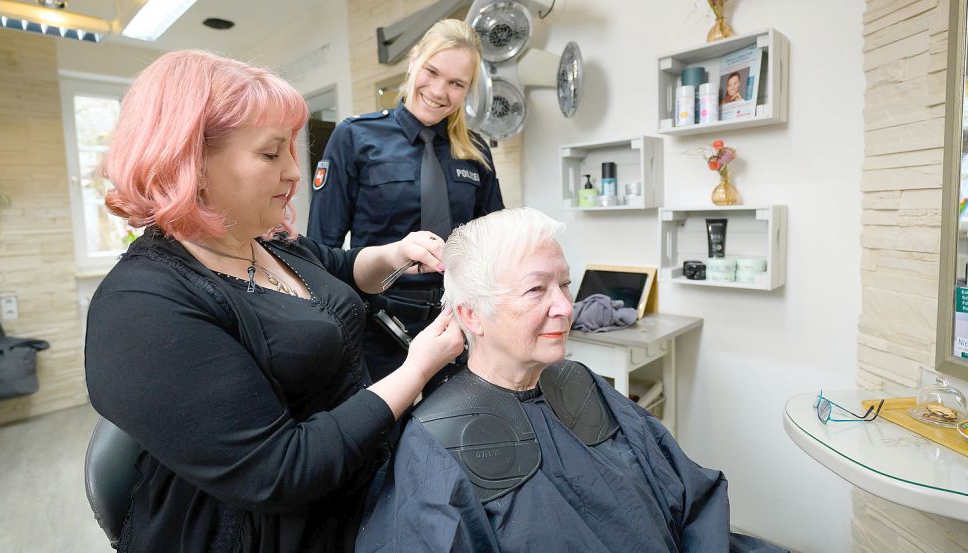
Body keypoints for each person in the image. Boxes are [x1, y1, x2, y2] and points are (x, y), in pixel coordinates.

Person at [84, 50, 464, 553]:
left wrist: (396, 253)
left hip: (357, 483)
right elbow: (280, 472)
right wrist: (414, 372)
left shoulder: (266, 242)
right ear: (190, 163)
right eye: (271, 154)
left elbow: (342, 269)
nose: (293, 173)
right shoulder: (142, 306)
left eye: (292, 151)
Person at [355, 208, 787, 553]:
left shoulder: (579, 382)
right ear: (470, 314)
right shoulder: (436, 441)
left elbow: (691, 498)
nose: (565, 307)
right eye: (535, 290)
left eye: (564, 284)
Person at [307, 19, 504, 386]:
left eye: (457, 84)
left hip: (457, 319)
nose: (439, 91)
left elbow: (494, 244)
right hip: (379, 322)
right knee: (385, 433)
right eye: (432, 72)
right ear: (413, 61)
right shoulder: (355, 136)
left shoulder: (476, 151)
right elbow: (322, 248)